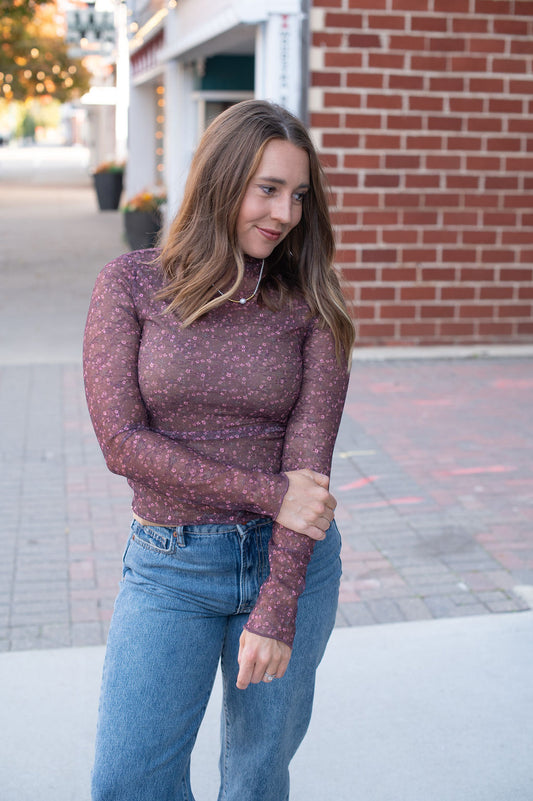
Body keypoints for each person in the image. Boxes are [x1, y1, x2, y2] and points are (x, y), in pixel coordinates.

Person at [83, 99, 355, 801]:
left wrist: (278, 600)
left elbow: (308, 466)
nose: (286, 212)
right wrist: (269, 493)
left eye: (298, 195)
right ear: (220, 178)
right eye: (267, 188)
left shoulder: (311, 301)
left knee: (256, 778)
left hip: (287, 558)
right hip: (169, 565)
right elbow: (121, 443)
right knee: (127, 780)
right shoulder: (132, 283)